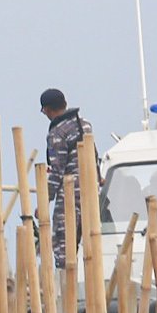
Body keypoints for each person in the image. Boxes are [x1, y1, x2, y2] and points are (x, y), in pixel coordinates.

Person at [40, 87, 95, 264]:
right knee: (91, 240)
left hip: (70, 193)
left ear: (48, 109)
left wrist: (44, 200)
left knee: (63, 243)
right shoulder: (84, 123)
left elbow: (57, 170)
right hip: (91, 191)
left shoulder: (57, 132)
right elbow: (94, 154)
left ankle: (66, 282)